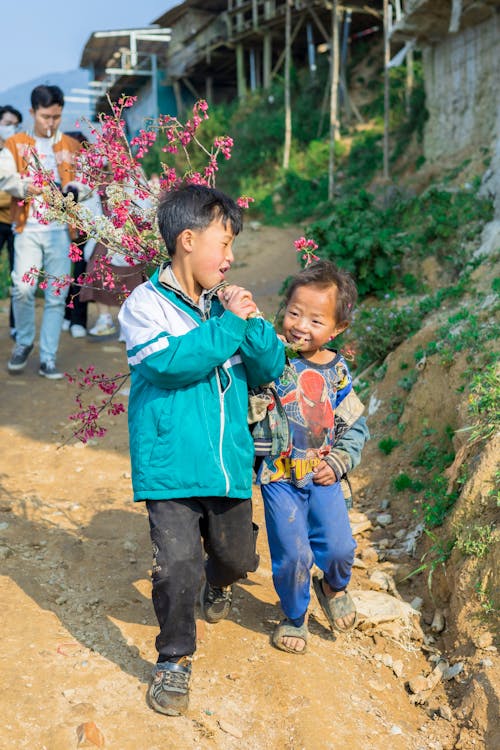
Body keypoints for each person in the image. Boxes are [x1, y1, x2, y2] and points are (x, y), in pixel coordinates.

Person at [118, 184, 285, 717]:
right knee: (177, 564)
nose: (231, 257)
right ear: (187, 241)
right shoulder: (142, 306)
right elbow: (173, 364)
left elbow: (269, 368)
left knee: (237, 558)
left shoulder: (226, 307)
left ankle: (218, 583)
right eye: (225, 243)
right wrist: (229, 326)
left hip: (228, 463)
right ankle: (173, 661)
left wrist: (252, 325)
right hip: (170, 465)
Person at [257, 259, 369, 654]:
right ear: (282, 310)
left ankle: (333, 586)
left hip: (323, 477)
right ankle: (294, 614)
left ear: (338, 329)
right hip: (279, 478)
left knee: (339, 549)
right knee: (293, 553)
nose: (301, 326)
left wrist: (338, 462)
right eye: (294, 313)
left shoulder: (337, 372)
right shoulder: (271, 361)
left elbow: (355, 425)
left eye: (316, 321)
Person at [0, 85, 87, 379]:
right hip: (28, 228)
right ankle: (24, 341)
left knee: (56, 294)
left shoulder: (70, 147)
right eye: (46, 116)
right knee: (22, 288)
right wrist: (25, 187)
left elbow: (84, 183)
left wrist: (74, 191)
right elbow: (4, 177)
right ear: (33, 113)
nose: (51, 123)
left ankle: (48, 356)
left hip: (60, 230)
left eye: (57, 117)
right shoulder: (15, 144)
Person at [0, 105, 23, 339]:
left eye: (15, 124)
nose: (11, 128)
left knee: (19, 276)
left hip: (17, 223)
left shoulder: (19, 153)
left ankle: (17, 325)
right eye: (7, 123)